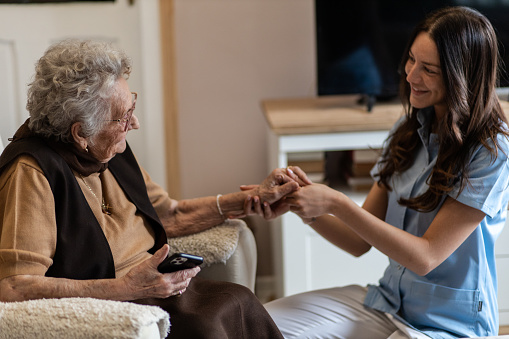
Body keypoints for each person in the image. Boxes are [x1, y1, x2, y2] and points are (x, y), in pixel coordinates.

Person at [0, 39, 302, 338]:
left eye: (132, 106)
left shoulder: (108, 149)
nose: (136, 123)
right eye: (124, 116)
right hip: (110, 309)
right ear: (81, 133)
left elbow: (169, 214)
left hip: (158, 291)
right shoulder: (31, 173)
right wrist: (123, 288)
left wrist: (253, 199)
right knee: (205, 329)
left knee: (239, 301)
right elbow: (15, 287)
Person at [251, 6, 509, 339]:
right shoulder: (409, 128)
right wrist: (304, 206)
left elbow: (425, 257)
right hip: (387, 303)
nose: (411, 75)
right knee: (257, 325)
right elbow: (359, 241)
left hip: (448, 326)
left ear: (463, 76)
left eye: (428, 69)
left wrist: (337, 203)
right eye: (412, 59)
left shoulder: (491, 152)